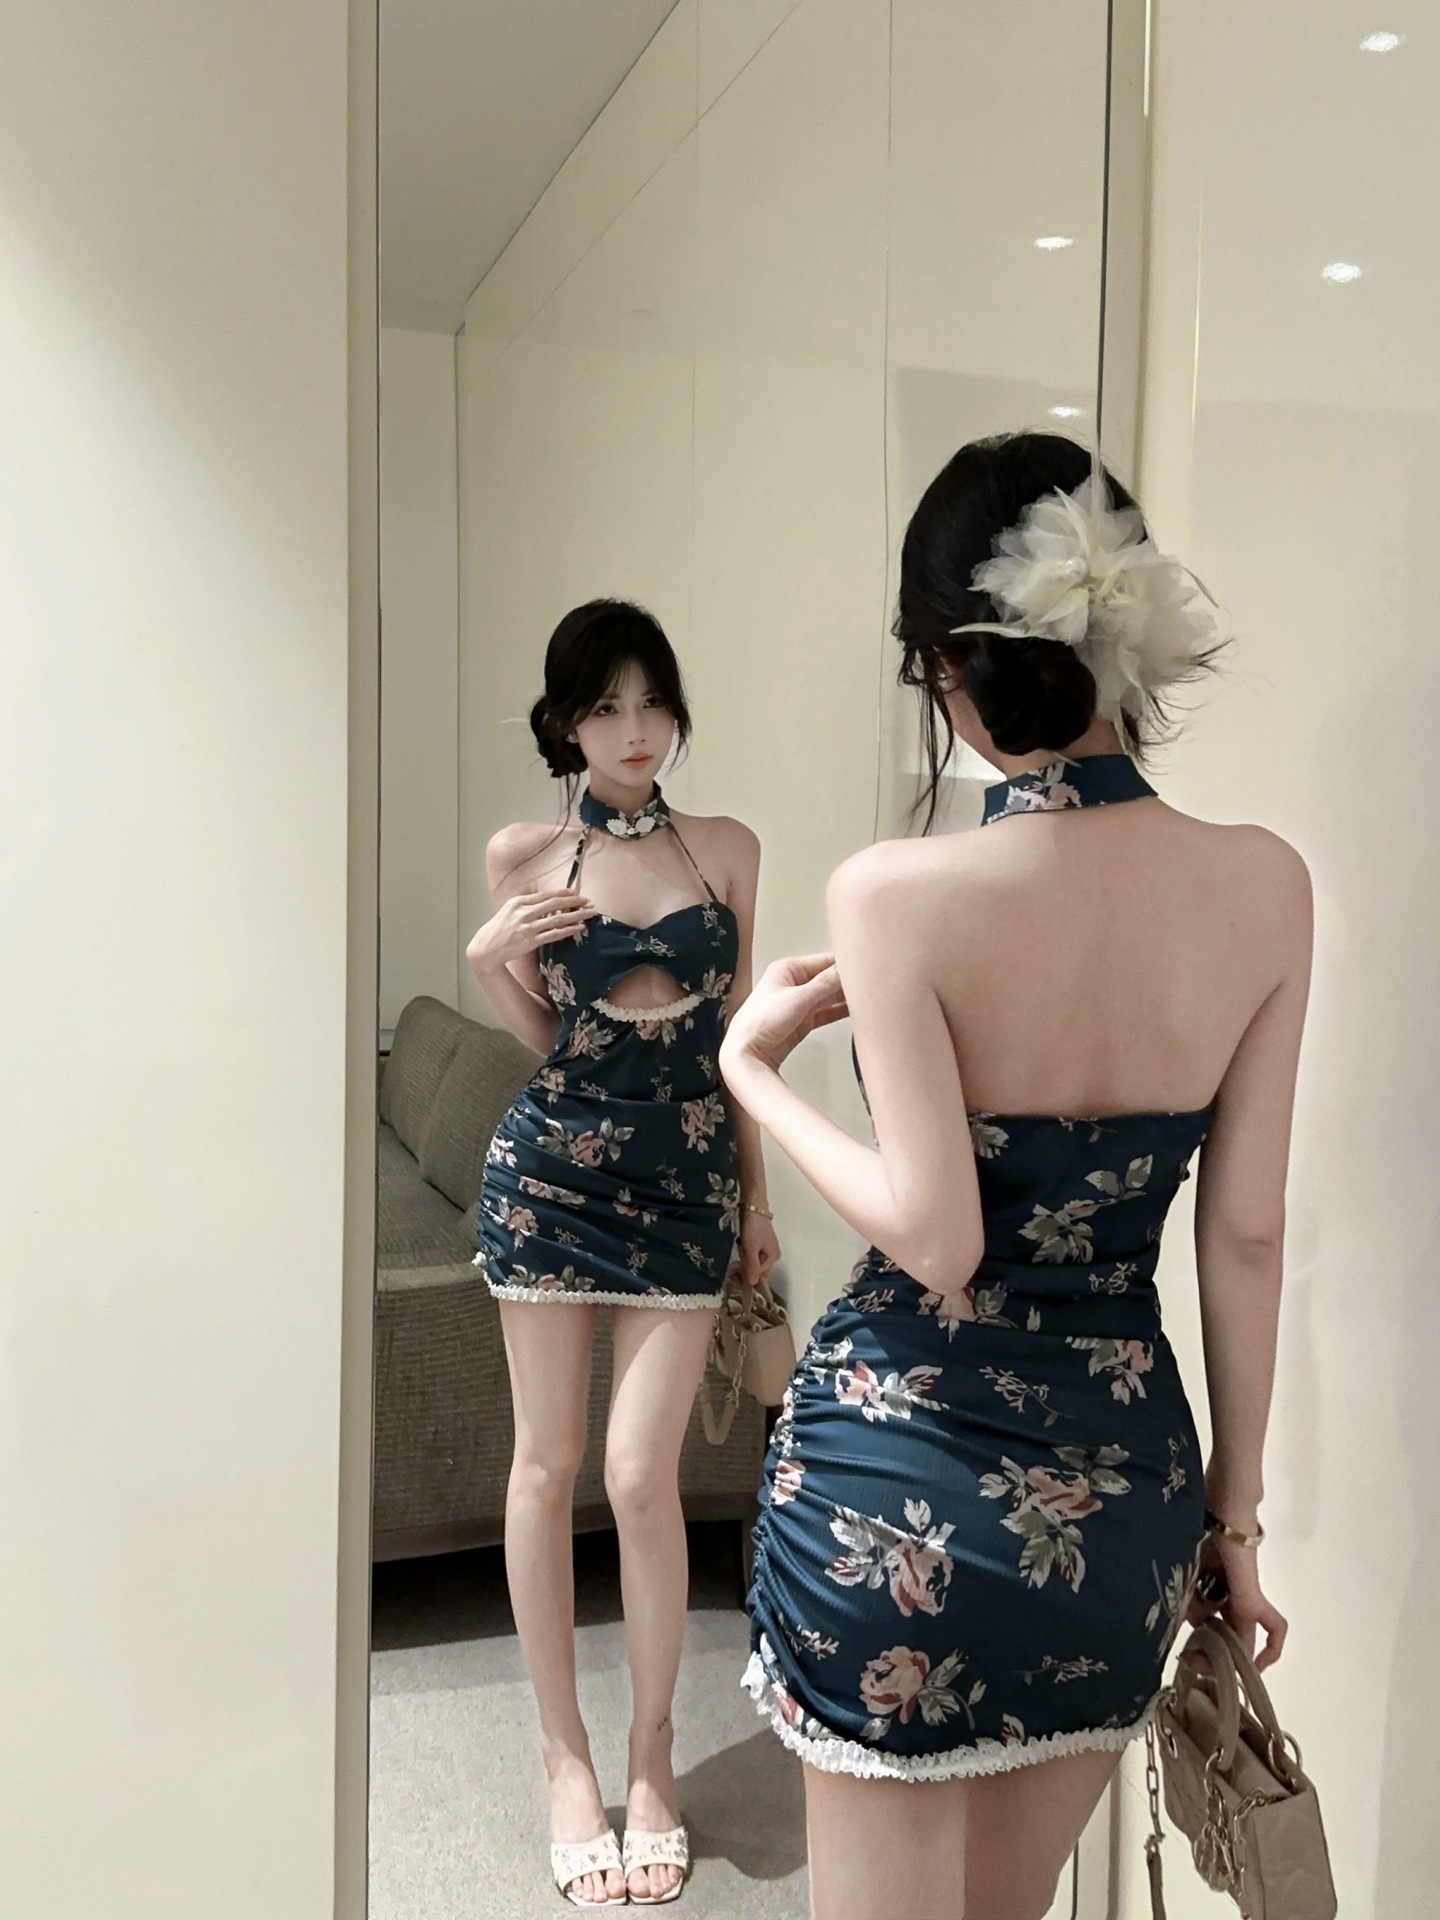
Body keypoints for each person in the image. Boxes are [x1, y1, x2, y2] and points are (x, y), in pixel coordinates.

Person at [719, 434, 1309, 1920]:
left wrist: (750, 1074)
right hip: (1117, 1507)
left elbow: (935, 1237)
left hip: (895, 1489)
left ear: (949, 666)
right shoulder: (1267, 885)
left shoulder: (895, 895)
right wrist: (1233, 1526)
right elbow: (1243, 1236)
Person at [466, 598, 780, 1907]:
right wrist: (489, 961)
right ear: (565, 723)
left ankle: (651, 1759)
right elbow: (558, 1045)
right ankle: (564, 1759)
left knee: (642, 1474)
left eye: (652, 702)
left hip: (690, 1183)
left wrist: (756, 1203)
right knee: (544, 1468)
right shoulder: (527, 854)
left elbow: (738, 1041)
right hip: (551, 1180)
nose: (635, 729)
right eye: (605, 706)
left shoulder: (729, 849)